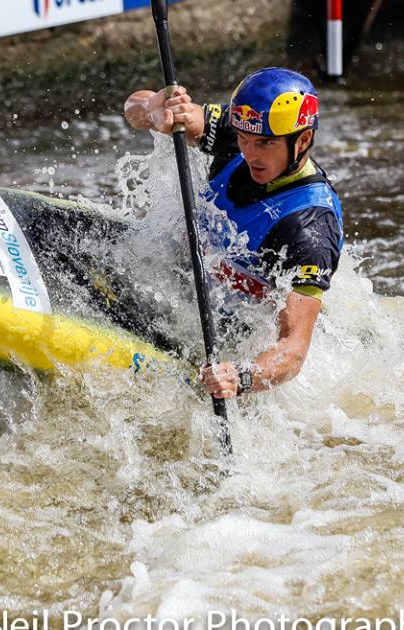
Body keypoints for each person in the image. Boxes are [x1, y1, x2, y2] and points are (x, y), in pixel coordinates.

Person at [123, 67, 343, 399]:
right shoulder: (242, 127)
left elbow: (293, 349)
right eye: (244, 139)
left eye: (265, 143)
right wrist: (155, 110)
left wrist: (240, 377)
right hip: (176, 284)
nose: (250, 153)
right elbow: (134, 108)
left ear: (303, 140)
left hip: (237, 332)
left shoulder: (309, 229)